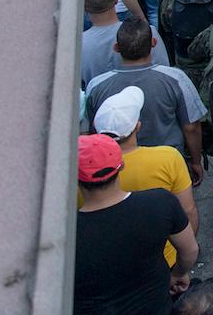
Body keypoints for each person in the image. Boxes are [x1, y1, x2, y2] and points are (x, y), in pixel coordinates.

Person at [74, 134, 198, 315]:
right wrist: (179, 273)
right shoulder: (159, 202)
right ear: (121, 165)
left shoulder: (64, 234)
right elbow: (190, 250)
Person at [84, 17, 206, 180]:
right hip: (170, 166)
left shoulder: (96, 86)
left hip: (118, 171)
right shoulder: (176, 78)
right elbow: (191, 126)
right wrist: (196, 161)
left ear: (116, 48)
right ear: (154, 43)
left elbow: (90, 131)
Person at [88, 86, 199, 264]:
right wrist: (183, 260)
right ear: (138, 126)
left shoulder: (86, 173)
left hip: (112, 262)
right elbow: (188, 210)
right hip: (165, 257)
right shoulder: (167, 157)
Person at [81, 0, 170, 87]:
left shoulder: (78, 46)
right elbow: (165, 70)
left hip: (101, 101)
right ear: (116, 0)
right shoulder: (145, 32)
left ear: (84, 7)